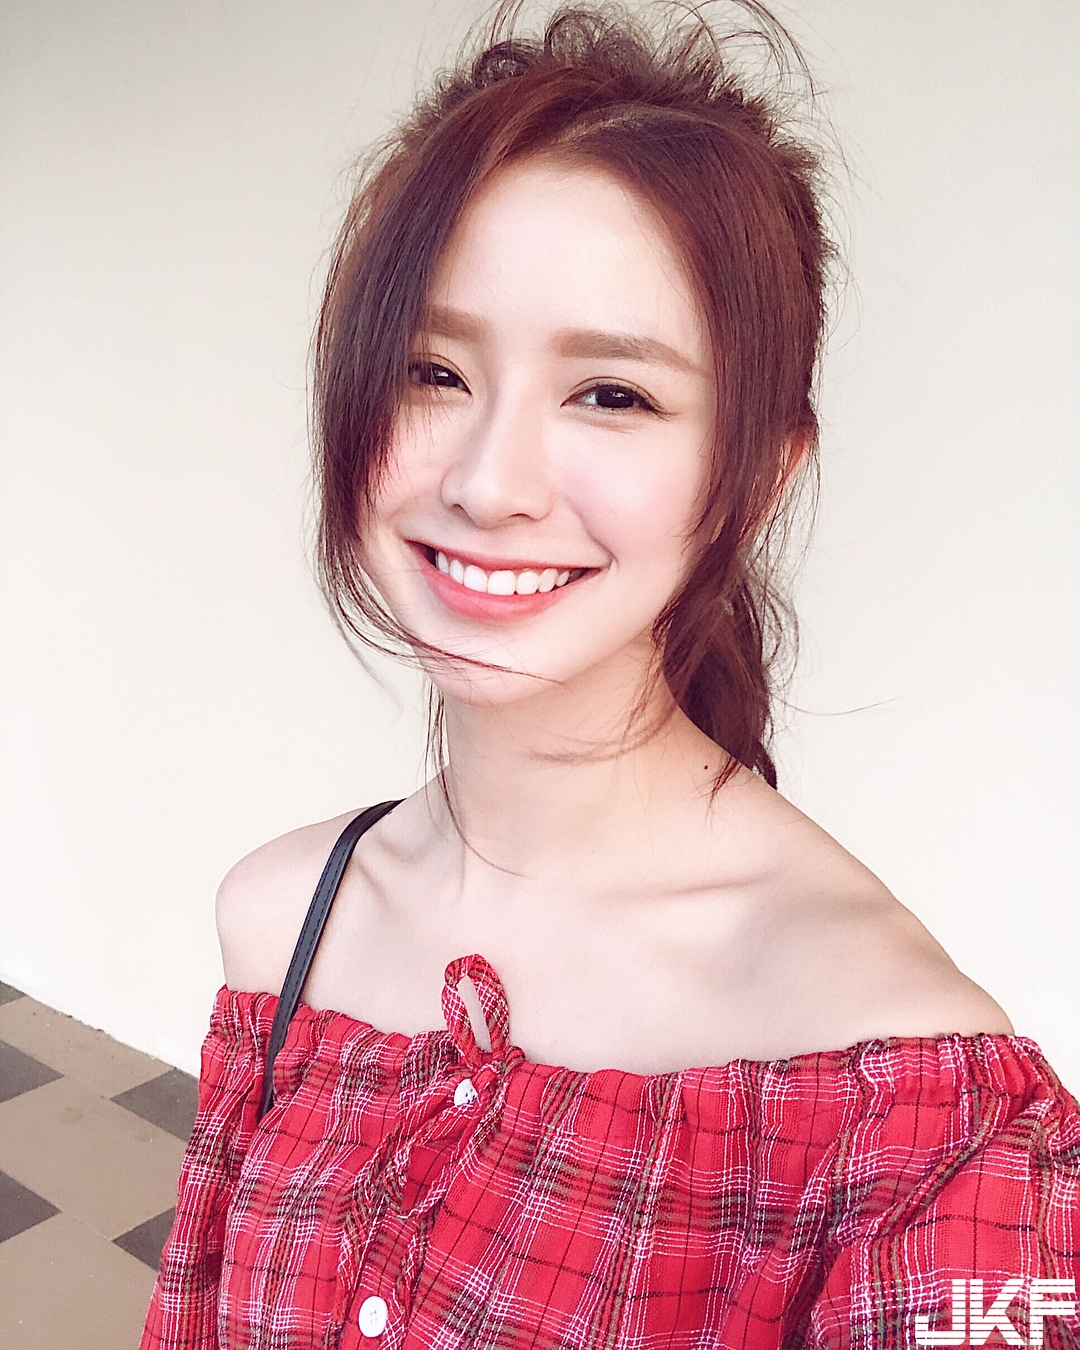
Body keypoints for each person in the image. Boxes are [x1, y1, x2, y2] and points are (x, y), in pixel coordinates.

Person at [140, 4, 1080, 1347]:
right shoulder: (283, 921)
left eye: (613, 394)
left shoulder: (919, 1121)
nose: (489, 484)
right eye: (432, 371)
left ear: (757, 474)